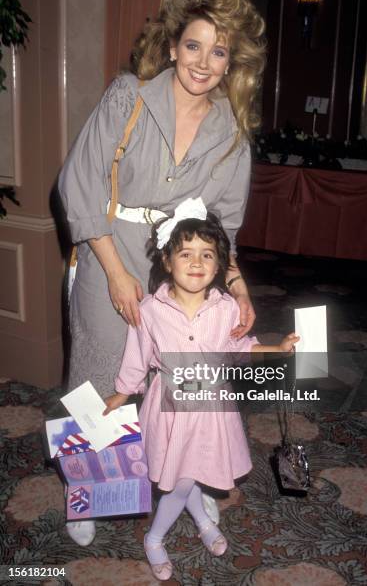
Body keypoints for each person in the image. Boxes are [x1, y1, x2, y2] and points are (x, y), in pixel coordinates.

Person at [58, 0, 266, 545]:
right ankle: (88, 491)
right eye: (194, 45)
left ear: (230, 63)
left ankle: (189, 479)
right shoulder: (129, 96)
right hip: (111, 248)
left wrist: (239, 287)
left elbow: (223, 230)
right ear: (174, 46)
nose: (203, 62)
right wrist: (118, 274)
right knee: (101, 372)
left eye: (218, 51)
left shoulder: (232, 135)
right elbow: (79, 184)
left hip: (180, 264)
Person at [103, 198, 299, 581]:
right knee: (182, 475)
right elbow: (137, 357)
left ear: (219, 264)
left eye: (207, 255)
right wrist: (122, 394)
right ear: (166, 260)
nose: (196, 263)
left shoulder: (226, 308)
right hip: (169, 407)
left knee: (186, 472)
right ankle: (155, 538)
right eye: (186, 253)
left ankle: (200, 523)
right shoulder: (150, 310)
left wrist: (277, 348)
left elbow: (240, 347)